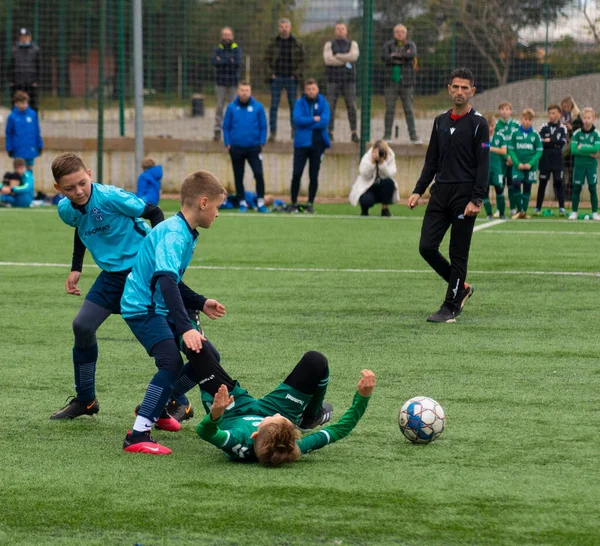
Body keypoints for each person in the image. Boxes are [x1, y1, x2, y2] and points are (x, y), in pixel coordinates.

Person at [49, 153, 166, 420]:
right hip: (111, 275)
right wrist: (76, 268)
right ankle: (86, 400)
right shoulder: (65, 210)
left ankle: (176, 400)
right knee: (82, 326)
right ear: (58, 189)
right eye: (69, 188)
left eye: (82, 183)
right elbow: (81, 226)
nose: (78, 191)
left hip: (140, 271)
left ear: (89, 173)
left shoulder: (112, 196)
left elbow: (154, 212)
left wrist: (160, 259)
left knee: (159, 337)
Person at [121, 170, 227, 455]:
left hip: (159, 305)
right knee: (170, 361)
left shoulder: (184, 232)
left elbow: (172, 281)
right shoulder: (173, 234)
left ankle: (160, 404)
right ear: (204, 202)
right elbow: (166, 282)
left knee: (208, 357)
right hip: (142, 307)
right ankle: (138, 433)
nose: (218, 214)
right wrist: (186, 327)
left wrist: (200, 301)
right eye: (217, 207)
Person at [193, 346, 375, 466]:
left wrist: (216, 414)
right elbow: (339, 430)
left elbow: (205, 432)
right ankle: (310, 417)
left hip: (232, 410)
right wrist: (363, 397)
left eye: (274, 418)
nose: (278, 414)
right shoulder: (293, 446)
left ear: (255, 434)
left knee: (198, 352)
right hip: (267, 410)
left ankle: (181, 323)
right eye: (286, 420)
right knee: (315, 361)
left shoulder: (238, 440)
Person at [407, 68, 488, 323]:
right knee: (426, 247)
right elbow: (432, 160)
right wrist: (418, 190)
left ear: (472, 91)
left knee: (457, 253)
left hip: (464, 199)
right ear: (449, 89)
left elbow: (483, 165)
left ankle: (450, 307)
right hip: (440, 194)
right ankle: (462, 287)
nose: (460, 92)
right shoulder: (440, 121)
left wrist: (476, 199)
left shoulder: (479, 124)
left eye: (465, 88)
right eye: (456, 87)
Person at [222, 81, 269, 213]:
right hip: (236, 148)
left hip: (254, 147)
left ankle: (260, 202)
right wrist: (228, 143)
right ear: (238, 91)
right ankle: (242, 202)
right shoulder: (231, 108)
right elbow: (226, 127)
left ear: (250, 92)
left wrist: (261, 142)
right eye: (242, 90)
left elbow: (263, 126)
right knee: (238, 176)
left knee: (259, 174)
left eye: (246, 90)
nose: (244, 92)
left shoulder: (258, 107)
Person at [288, 78, 330, 214]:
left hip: (318, 143)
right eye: (309, 89)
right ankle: (293, 203)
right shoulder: (299, 103)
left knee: (314, 175)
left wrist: (308, 124)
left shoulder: (323, 102)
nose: (311, 91)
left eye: (313, 89)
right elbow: (297, 119)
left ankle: (310, 203)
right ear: (305, 90)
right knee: (296, 174)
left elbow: (324, 121)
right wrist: (313, 119)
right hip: (301, 143)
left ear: (317, 89)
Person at [264, 18, 305, 142]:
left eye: (286, 27)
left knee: (293, 106)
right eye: (282, 27)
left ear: (290, 28)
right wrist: (271, 74)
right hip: (277, 78)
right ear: (278, 28)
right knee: (274, 106)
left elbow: (303, 60)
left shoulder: (297, 43)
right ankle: (273, 132)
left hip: (291, 78)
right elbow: (266, 59)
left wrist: (296, 74)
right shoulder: (273, 43)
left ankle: (294, 131)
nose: (284, 29)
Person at [381, 24, 421, 144]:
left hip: (407, 82)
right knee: (389, 109)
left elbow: (411, 54)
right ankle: (387, 136)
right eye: (397, 31)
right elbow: (385, 57)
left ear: (405, 34)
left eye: (402, 32)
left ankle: (413, 136)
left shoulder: (411, 45)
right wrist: (402, 57)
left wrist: (396, 56)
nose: (399, 33)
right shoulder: (388, 45)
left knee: (408, 108)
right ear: (394, 33)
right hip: (391, 82)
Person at [323, 22, 359, 143]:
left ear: (346, 31)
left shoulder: (353, 44)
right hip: (333, 80)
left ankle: (354, 132)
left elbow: (353, 57)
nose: (340, 31)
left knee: (352, 106)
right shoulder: (329, 44)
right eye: (338, 29)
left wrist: (337, 56)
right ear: (335, 31)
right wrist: (345, 58)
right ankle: (329, 132)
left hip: (349, 80)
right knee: (330, 107)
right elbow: (328, 60)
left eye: (342, 29)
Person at [507, 108, 543, 219]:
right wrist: (517, 163)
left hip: (530, 167)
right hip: (518, 166)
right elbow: (511, 150)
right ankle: (520, 209)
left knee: (527, 188)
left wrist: (530, 163)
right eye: (525, 119)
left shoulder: (535, 135)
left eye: (529, 120)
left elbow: (539, 151)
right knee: (516, 184)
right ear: (521, 119)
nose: (526, 121)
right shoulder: (515, 133)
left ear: (532, 121)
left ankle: (524, 212)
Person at [349, 140, 398, 217]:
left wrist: (382, 163)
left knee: (389, 183)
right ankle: (364, 210)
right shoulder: (367, 157)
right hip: (368, 187)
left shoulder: (390, 156)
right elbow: (364, 174)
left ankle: (385, 209)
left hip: (381, 187)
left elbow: (390, 174)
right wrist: (372, 162)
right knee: (366, 200)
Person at [534, 105, 567, 216]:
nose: (551, 116)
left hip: (557, 159)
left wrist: (549, 140)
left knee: (558, 182)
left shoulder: (562, 128)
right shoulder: (544, 127)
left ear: (559, 114)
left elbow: (562, 142)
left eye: (553, 113)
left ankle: (562, 208)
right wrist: (554, 141)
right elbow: (540, 141)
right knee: (542, 183)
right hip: (545, 159)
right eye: (550, 113)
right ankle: (537, 208)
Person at [569, 107, 600, 221]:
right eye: (585, 118)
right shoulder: (577, 133)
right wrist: (590, 150)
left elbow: (596, 148)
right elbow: (573, 150)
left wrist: (582, 147)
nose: (586, 120)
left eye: (589, 118)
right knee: (576, 188)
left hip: (591, 166)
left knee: (592, 188)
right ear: (582, 119)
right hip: (579, 166)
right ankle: (574, 212)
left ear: (593, 119)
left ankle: (595, 213)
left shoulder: (597, 134)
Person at [212, 27, 242, 142]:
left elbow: (238, 62)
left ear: (232, 36)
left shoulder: (237, 49)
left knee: (234, 108)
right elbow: (214, 62)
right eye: (225, 35)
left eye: (229, 35)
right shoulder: (217, 49)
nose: (227, 37)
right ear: (221, 36)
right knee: (219, 107)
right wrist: (230, 60)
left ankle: (235, 130)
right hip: (220, 82)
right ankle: (217, 130)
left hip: (233, 83)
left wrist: (222, 61)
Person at [5, 90, 43, 170]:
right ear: (16, 103)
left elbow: (37, 131)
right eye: (22, 103)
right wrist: (9, 148)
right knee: (19, 172)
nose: (24, 105)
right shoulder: (12, 117)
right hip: (18, 150)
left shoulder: (32, 114)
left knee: (29, 171)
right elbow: (9, 134)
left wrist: (40, 145)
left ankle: (30, 183)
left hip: (30, 148)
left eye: (26, 103)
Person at [496, 102, 520, 216]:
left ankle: (513, 208)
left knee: (512, 185)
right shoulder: (496, 126)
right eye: (502, 109)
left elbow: (518, 143)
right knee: (499, 185)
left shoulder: (516, 125)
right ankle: (499, 208)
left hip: (513, 160)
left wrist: (512, 157)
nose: (504, 111)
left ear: (510, 111)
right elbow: (495, 144)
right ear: (499, 111)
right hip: (501, 161)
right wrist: (506, 157)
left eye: (507, 109)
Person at [9, 28, 41, 112]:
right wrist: (11, 81)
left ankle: (32, 123)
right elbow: (10, 66)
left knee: (33, 105)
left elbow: (39, 66)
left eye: (25, 37)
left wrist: (36, 81)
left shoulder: (36, 50)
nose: (24, 39)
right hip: (17, 83)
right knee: (16, 104)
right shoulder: (14, 50)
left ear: (30, 38)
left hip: (31, 83)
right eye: (22, 37)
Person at [483, 115, 507, 220]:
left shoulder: (500, 136)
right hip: (484, 168)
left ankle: (502, 213)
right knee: (484, 190)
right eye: (487, 126)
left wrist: (490, 148)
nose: (490, 128)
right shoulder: (481, 137)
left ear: (495, 125)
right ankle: (489, 213)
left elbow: (503, 151)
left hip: (497, 168)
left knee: (499, 188)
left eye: (492, 125)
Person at [560, 96, 582, 201]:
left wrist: (571, 128)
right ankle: (562, 193)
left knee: (573, 172)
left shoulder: (578, 119)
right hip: (564, 149)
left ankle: (571, 194)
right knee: (562, 171)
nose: (566, 109)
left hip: (574, 150)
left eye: (568, 107)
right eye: (564, 107)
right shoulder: (561, 118)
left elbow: (581, 134)